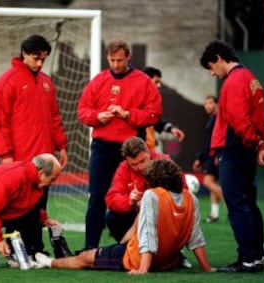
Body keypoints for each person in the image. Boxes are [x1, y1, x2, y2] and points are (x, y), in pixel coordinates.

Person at [34, 159, 216, 274]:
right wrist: (207, 268)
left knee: (86, 258)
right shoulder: (190, 197)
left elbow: (148, 234)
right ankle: (118, 247)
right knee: (118, 244)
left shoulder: (152, 195)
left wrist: (143, 268)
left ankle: (49, 262)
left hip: (139, 259)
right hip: (168, 262)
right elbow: (195, 237)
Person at [77, 39, 163, 250]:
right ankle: (90, 249)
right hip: (102, 148)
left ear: (128, 57)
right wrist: (98, 117)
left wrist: (127, 114)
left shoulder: (143, 82)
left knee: (141, 198)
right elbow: (82, 111)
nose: (116, 64)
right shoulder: (98, 81)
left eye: (120, 60)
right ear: (107, 57)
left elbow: (154, 113)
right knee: (96, 198)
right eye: (112, 60)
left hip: (132, 150)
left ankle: (145, 246)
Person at [0, 34, 68, 254]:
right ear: (24, 53)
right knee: (16, 208)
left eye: (43, 59)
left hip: (45, 160)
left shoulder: (46, 82)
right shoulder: (6, 81)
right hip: (19, 160)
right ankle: (16, 251)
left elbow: (54, 117)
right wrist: (5, 155)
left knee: (39, 206)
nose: (40, 63)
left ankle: (36, 249)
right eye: (36, 58)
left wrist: (61, 145)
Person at [200, 40, 264, 273]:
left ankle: (248, 258)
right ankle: (257, 256)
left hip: (234, 148)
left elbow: (239, 120)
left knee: (237, 205)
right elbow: (260, 119)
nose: (212, 72)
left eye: (211, 66)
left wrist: (253, 142)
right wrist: (262, 144)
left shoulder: (232, 82)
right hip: (247, 150)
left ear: (220, 58)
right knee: (249, 203)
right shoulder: (252, 79)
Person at [105, 136, 170, 242]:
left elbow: (179, 193)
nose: (140, 167)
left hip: (161, 214)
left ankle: (175, 253)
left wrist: (147, 201)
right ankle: (129, 250)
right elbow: (111, 198)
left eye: (143, 161)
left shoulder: (164, 162)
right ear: (127, 160)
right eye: (134, 164)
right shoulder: (124, 168)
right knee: (112, 218)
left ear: (148, 151)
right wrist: (129, 201)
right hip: (137, 214)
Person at [192, 95, 224, 223]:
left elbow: (217, 139)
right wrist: (201, 158)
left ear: (217, 104)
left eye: (210, 103)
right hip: (211, 155)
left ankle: (231, 207)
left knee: (208, 182)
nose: (208, 106)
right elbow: (208, 142)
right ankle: (214, 214)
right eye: (206, 104)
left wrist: (218, 154)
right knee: (213, 184)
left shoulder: (219, 119)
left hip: (215, 155)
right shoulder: (212, 119)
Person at [140, 67, 185, 151]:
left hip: (148, 151)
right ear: (147, 81)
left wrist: (170, 129)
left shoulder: (150, 101)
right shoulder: (136, 100)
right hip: (139, 152)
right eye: (156, 82)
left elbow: (155, 120)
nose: (159, 85)